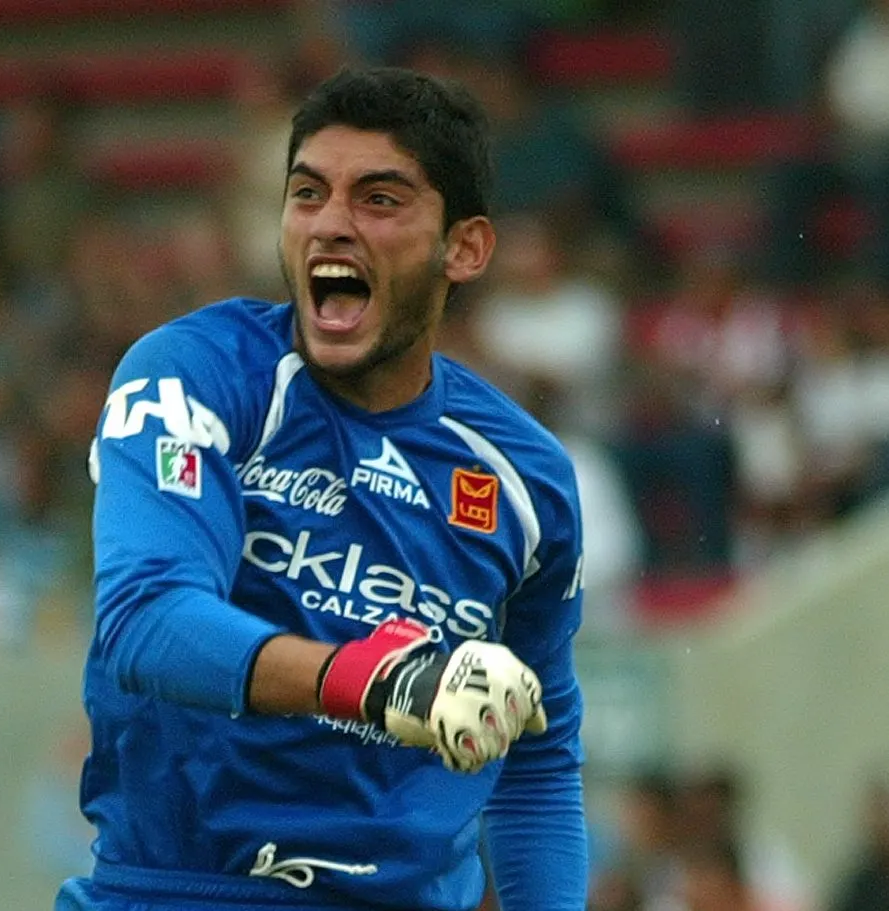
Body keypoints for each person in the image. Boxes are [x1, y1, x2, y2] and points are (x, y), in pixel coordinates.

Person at [58, 66, 586, 911]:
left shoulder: (525, 480)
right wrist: (376, 683)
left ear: (465, 246)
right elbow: (145, 620)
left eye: (378, 200)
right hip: (179, 892)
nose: (331, 225)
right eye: (308, 193)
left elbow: (536, 749)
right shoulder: (198, 374)